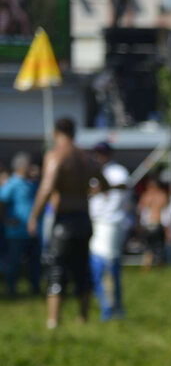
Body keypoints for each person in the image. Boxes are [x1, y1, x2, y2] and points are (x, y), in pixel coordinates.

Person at [27, 117, 110, 329]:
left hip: (64, 220)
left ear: (56, 133)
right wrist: (89, 192)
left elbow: (46, 188)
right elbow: (105, 183)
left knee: (56, 268)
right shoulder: (86, 158)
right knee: (82, 269)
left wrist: (34, 216)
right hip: (84, 218)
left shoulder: (56, 155)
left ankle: (53, 320)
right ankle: (83, 318)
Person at [88, 142, 132, 320]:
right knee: (97, 266)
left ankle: (111, 309)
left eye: (103, 153)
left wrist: (103, 188)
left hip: (110, 223)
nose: (100, 156)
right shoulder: (94, 172)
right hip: (96, 222)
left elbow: (123, 187)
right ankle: (109, 306)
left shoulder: (117, 171)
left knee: (106, 266)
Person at [1, 151, 41, 296]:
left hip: (33, 231)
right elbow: (1, 201)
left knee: (34, 263)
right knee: (14, 262)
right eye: (29, 165)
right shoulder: (12, 183)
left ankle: (35, 289)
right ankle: (11, 289)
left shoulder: (30, 183)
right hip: (17, 231)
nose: (31, 167)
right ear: (22, 166)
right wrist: (6, 219)